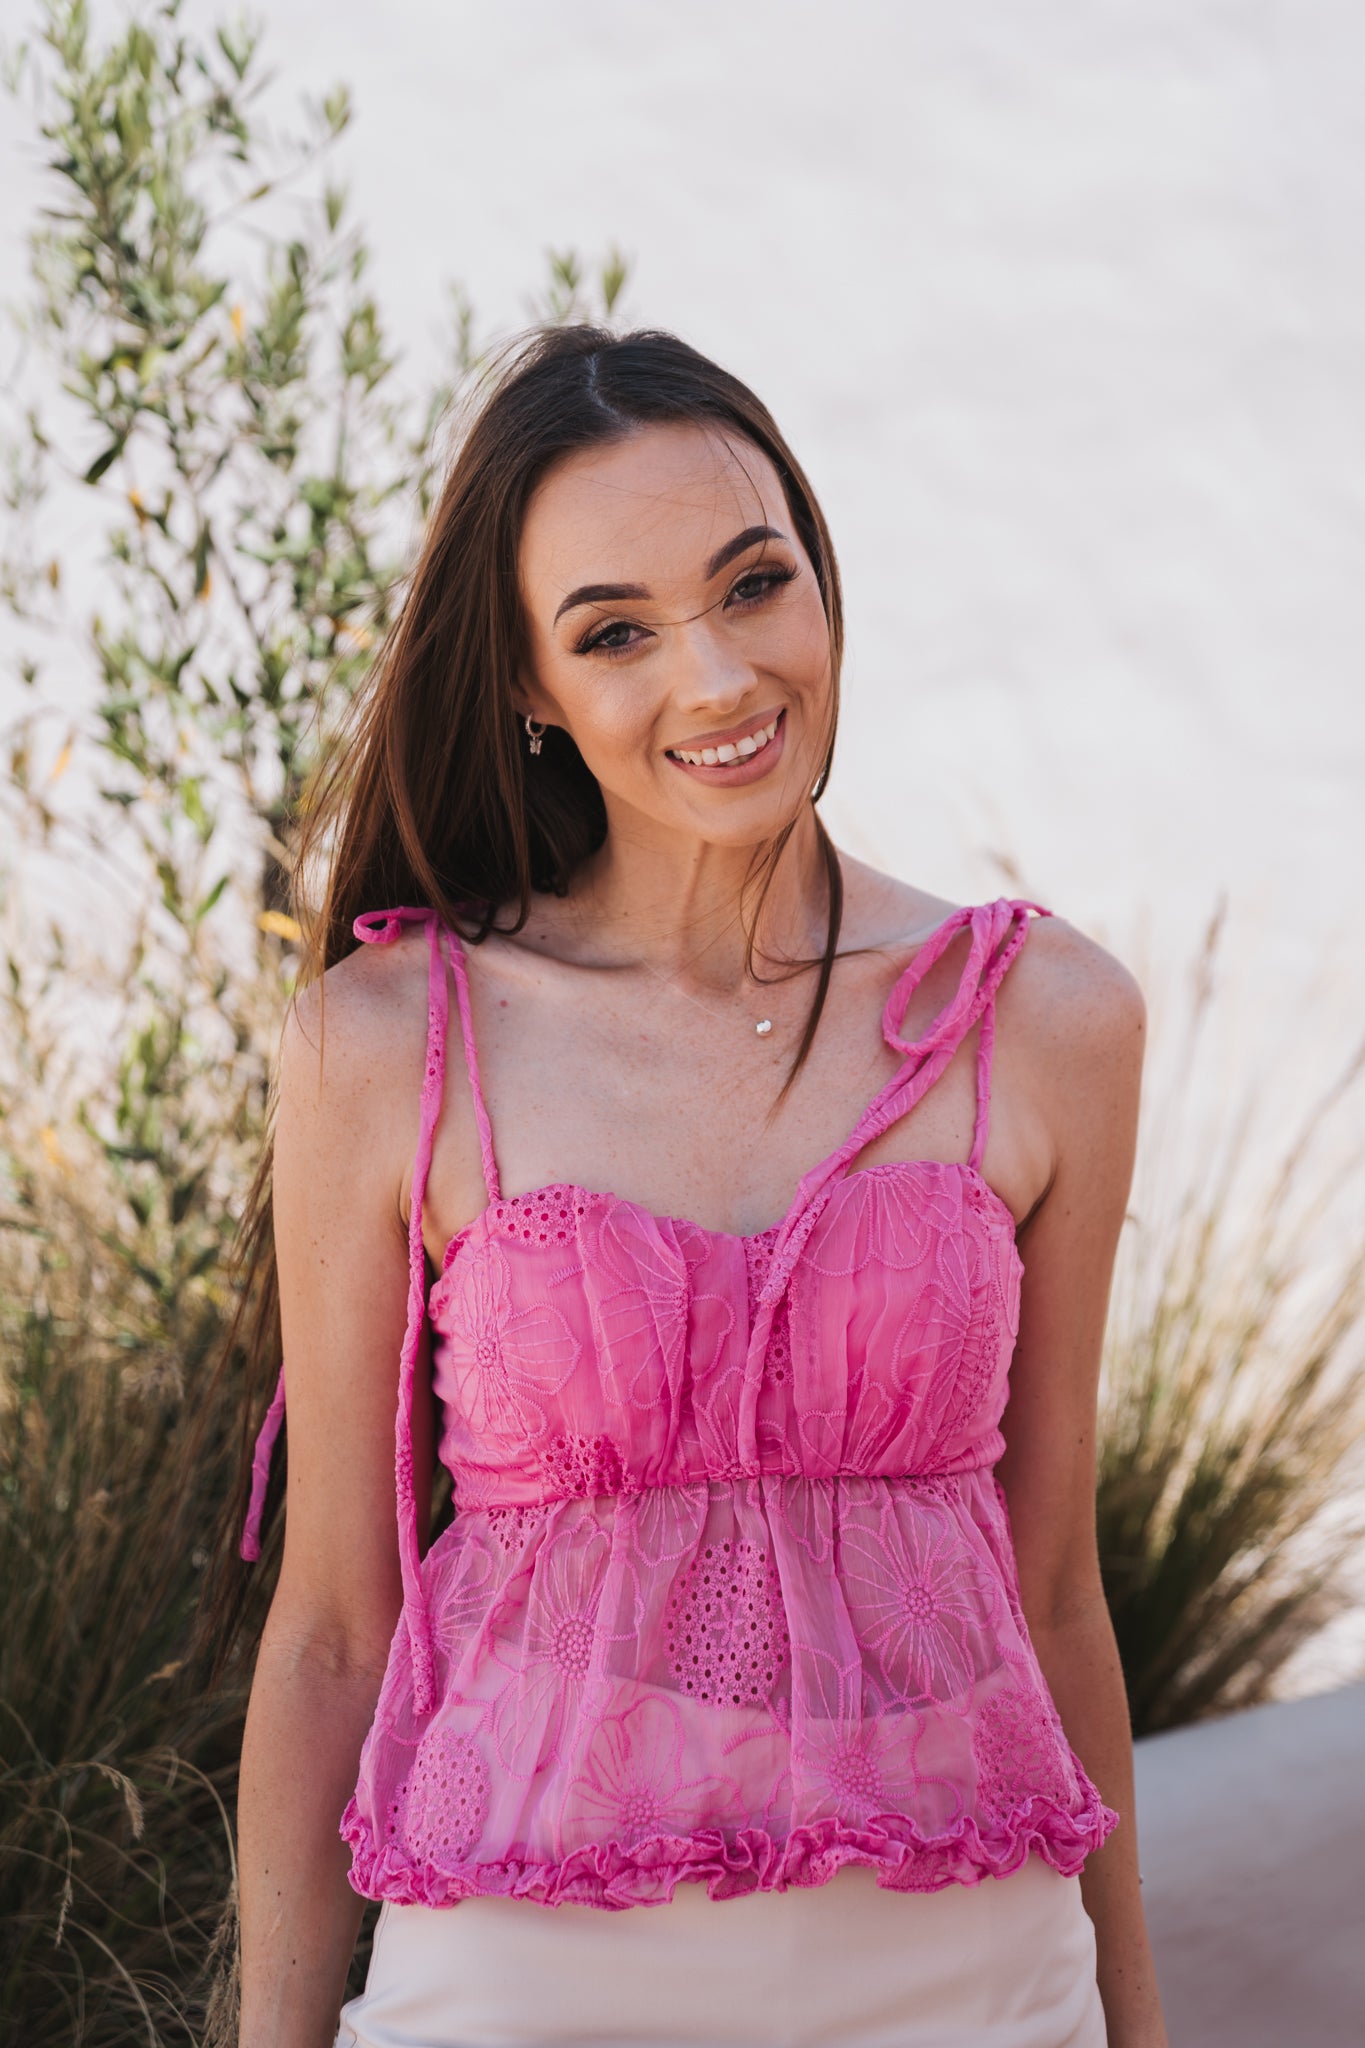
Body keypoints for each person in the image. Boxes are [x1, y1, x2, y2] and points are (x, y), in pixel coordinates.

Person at [226, 325, 1169, 2046]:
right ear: (527, 687)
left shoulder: (1043, 1022)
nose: (719, 678)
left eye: (754, 584)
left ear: (821, 574)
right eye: (615, 634)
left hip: (970, 1977)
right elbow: (334, 1637)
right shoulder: (387, 1044)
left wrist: (1135, 2023)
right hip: (526, 1977)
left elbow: (1052, 1590)